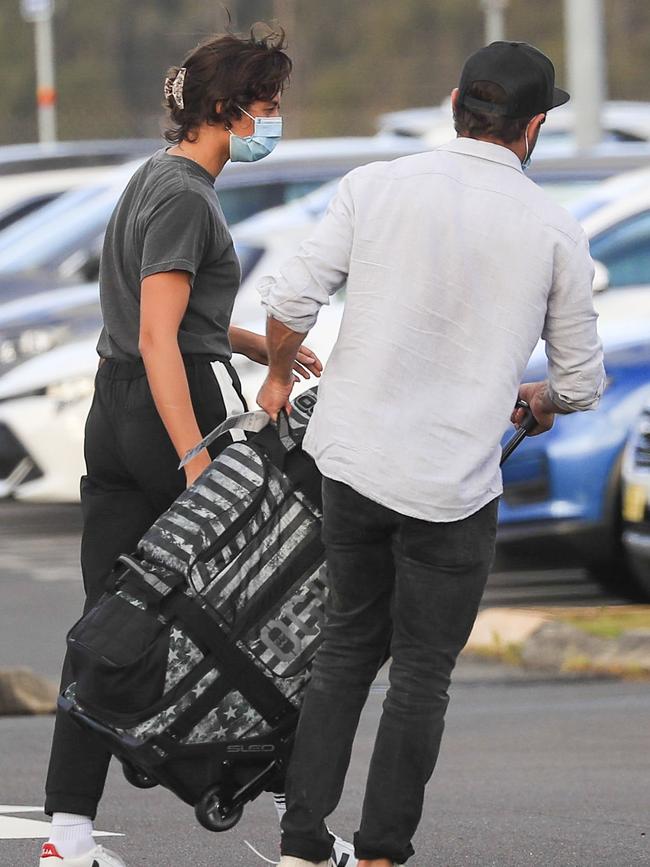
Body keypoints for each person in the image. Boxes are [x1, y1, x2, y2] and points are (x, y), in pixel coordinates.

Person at [256, 41, 606, 867]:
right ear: (532, 129)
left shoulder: (373, 187)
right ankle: (380, 852)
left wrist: (277, 375)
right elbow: (582, 381)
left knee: (345, 645)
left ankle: (302, 843)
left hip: (352, 461)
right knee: (420, 677)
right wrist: (542, 399)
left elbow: (289, 299)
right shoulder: (555, 228)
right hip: (451, 486)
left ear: (455, 103)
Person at [39, 27, 325, 867]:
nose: (274, 122)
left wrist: (240, 339)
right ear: (228, 110)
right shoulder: (188, 196)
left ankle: (67, 835)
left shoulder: (153, 179)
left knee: (109, 620)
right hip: (170, 410)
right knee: (263, 603)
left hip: (114, 405)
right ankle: (297, 831)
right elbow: (160, 339)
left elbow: (163, 319)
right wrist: (197, 461)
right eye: (268, 108)